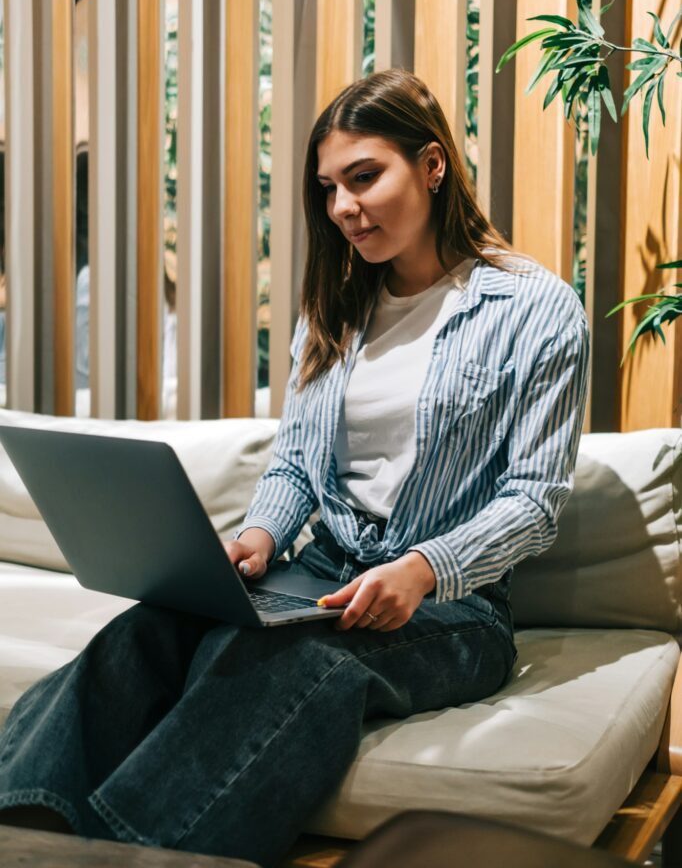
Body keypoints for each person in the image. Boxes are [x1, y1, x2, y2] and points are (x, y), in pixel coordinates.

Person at [0, 69, 590, 866]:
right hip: (318, 573)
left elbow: (536, 500)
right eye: (328, 188)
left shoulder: (537, 308)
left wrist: (421, 569)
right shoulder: (334, 306)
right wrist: (259, 536)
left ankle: (142, 854)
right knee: (151, 629)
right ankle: (22, 827)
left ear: (433, 165)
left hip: (453, 610)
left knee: (294, 661)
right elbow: (297, 464)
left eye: (364, 177)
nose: (344, 207)